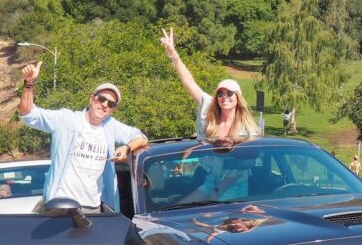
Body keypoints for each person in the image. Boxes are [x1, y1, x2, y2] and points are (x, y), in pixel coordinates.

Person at [19, 61, 147, 212]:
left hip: (93, 208)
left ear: (113, 110)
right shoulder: (67, 119)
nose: (105, 104)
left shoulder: (111, 126)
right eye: (101, 99)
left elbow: (141, 138)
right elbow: (28, 115)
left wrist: (126, 147)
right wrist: (29, 83)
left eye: (111, 104)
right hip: (60, 204)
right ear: (92, 98)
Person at [160, 28, 259, 141]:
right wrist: (174, 55)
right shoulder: (208, 108)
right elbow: (190, 83)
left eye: (230, 93)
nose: (224, 97)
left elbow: (252, 154)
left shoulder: (247, 129)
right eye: (220, 93)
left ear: (238, 98)